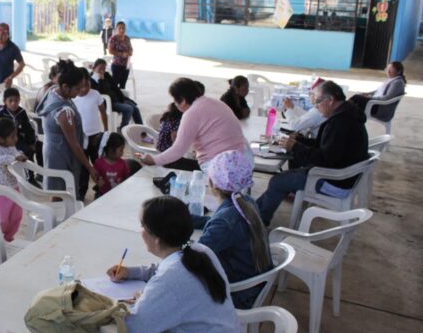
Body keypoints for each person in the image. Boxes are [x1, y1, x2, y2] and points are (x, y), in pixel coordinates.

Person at [106, 196, 248, 333]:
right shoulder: (200, 251)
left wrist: (136, 304)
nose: (140, 231)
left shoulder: (170, 281)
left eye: (142, 226)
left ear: (155, 238)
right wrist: (132, 273)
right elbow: (161, 271)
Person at [257, 81, 369, 226]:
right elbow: (326, 146)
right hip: (341, 173)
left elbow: (324, 159)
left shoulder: (340, 123)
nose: (316, 106)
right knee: (283, 178)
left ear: (330, 100)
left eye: (317, 102)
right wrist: (300, 140)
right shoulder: (346, 114)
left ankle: (259, 222)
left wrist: (296, 147)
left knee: (278, 181)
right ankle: (255, 212)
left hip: (334, 181)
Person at [193, 150, 272, 309]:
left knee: (183, 283)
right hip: (252, 283)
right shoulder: (245, 201)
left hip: (237, 294)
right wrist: (188, 219)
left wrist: (180, 243)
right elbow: (219, 225)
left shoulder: (225, 222)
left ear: (213, 184)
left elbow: (194, 255)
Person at [140, 78, 249, 172]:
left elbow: (178, 150)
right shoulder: (216, 103)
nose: (174, 104)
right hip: (243, 158)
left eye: (175, 100)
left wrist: (153, 160)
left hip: (220, 166)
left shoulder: (191, 113)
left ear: (182, 100)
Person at [35, 60, 98, 200]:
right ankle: (59, 220)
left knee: (59, 189)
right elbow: (74, 144)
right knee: (60, 193)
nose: (80, 91)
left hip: (52, 147)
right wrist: (90, 167)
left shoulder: (52, 91)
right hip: (60, 153)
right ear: (65, 87)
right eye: (77, 88)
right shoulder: (64, 112)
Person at [0, 118, 28, 241]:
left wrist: (19, 155)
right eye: (13, 136)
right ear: (0, 139)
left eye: (16, 135)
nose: (16, 138)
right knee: (2, 219)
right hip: (0, 190)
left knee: (17, 215)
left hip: (14, 187)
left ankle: (9, 237)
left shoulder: (11, 147)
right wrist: (14, 158)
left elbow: (16, 153)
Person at [73, 72, 108, 200]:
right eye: (81, 87)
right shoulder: (73, 98)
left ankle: (100, 188)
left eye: (87, 85)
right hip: (81, 137)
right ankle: (81, 191)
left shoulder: (95, 94)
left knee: (98, 163)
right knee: (83, 166)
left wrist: (106, 130)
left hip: (96, 136)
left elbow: (103, 113)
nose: (84, 89)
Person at [90, 58, 145, 130]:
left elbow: (115, 87)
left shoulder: (106, 75)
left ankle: (142, 131)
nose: (102, 71)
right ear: (94, 68)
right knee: (129, 109)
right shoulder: (90, 79)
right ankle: (123, 129)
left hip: (117, 99)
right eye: (100, 68)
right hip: (108, 103)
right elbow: (98, 93)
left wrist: (122, 99)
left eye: (104, 68)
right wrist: (101, 80)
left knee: (135, 108)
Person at [0, 87, 37, 165]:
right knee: (26, 151)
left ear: (19, 100)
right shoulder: (0, 113)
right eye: (10, 101)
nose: (13, 103)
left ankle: (37, 174)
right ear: (4, 102)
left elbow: (28, 128)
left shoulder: (21, 111)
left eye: (16, 100)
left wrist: (31, 142)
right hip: (5, 141)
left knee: (38, 147)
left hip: (18, 138)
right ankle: (26, 174)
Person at [0, 22, 25, 92]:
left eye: (3, 34)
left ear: (8, 35)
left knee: (4, 101)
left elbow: (22, 64)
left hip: (5, 83)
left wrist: (11, 77)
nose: (0, 37)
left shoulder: (13, 48)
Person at [94, 132, 130, 197]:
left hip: (119, 194)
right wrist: (97, 181)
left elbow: (126, 178)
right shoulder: (99, 163)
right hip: (103, 195)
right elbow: (94, 175)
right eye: (121, 150)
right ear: (111, 150)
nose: (122, 153)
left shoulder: (123, 163)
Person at [107, 21, 133, 90]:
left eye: (123, 28)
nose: (122, 30)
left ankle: (122, 100)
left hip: (126, 66)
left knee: (123, 86)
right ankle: (115, 100)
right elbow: (110, 51)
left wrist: (129, 53)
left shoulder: (127, 38)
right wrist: (121, 54)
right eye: (120, 28)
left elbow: (131, 49)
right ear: (116, 29)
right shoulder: (113, 39)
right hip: (117, 65)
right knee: (114, 86)